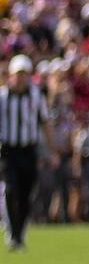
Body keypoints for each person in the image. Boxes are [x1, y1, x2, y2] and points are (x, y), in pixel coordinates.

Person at [0, 54, 50, 250]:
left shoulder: (36, 96)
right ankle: (13, 233)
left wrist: (51, 149)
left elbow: (44, 122)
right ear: (11, 75)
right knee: (11, 190)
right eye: (17, 74)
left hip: (29, 150)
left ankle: (19, 232)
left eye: (24, 74)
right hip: (9, 150)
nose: (20, 78)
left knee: (27, 192)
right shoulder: (3, 97)